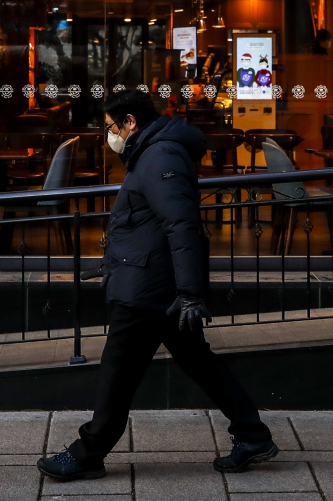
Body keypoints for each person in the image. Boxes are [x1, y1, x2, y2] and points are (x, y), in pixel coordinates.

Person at [37, 89, 277, 482]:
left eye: (111, 127)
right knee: (198, 362)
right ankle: (253, 436)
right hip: (154, 279)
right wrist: (113, 264)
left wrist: (190, 293)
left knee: (118, 370)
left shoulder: (159, 156)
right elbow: (146, 222)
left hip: (150, 287)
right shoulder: (153, 152)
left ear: (130, 122)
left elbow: (180, 224)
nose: (109, 135)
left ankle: (88, 453)